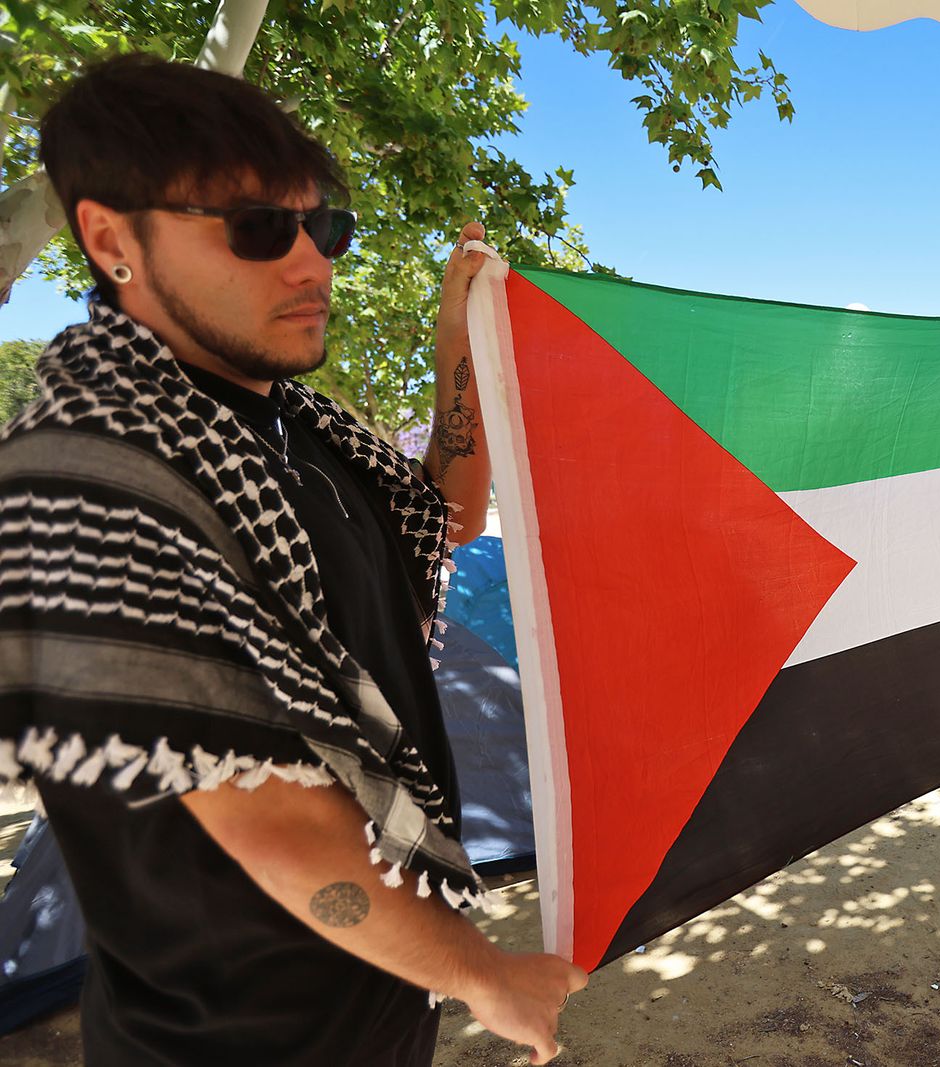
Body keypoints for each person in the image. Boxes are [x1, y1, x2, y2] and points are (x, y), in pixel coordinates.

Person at [0, 55, 584, 1064]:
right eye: (260, 229)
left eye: (328, 229)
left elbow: (442, 516)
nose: (313, 264)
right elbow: (273, 823)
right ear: (109, 238)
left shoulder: (293, 427)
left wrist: (460, 343)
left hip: (378, 998)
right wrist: (484, 974)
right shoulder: (84, 477)